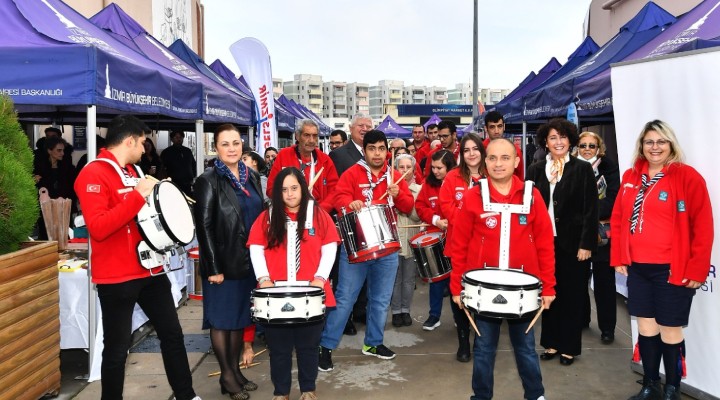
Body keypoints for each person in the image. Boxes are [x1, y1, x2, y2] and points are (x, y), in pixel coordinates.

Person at [73, 115, 200, 400]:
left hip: (149, 270)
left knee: (172, 335)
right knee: (117, 349)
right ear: (129, 140)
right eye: (142, 143)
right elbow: (99, 227)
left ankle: (186, 395)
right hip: (116, 276)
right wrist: (137, 197)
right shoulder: (93, 173)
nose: (145, 149)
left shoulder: (134, 171)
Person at [611, 120, 713, 400]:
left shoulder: (687, 177)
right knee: (646, 329)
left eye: (661, 142)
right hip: (638, 269)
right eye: (649, 142)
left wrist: (697, 268)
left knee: (670, 329)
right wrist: (620, 256)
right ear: (641, 146)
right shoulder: (632, 176)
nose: (655, 147)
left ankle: (672, 389)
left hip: (672, 269)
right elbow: (619, 219)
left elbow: (703, 227)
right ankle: (650, 385)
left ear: (671, 145)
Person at [450, 138, 556, 400]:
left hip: (525, 289)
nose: (498, 164)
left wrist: (549, 286)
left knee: (526, 348)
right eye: (493, 158)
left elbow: (545, 244)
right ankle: (481, 396)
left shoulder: (533, 195)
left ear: (517, 162)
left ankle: (535, 394)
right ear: (485, 162)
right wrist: (456, 287)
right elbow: (459, 244)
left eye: (505, 158)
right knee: (484, 347)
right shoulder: (474, 196)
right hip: (482, 290)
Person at [318, 129, 414, 371]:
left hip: (387, 248)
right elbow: (339, 198)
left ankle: (373, 343)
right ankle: (326, 347)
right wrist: (349, 203)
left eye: (382, 149)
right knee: (345, 299)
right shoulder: (352, 173)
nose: (378, 154)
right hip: (357, 248)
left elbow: (408, 205)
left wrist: (398, 195)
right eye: (373, 149)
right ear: (365, 150)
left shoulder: (392, 176)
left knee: (381, 300)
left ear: (387, 151)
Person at [247, 168, 340, 400]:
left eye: (294, 188)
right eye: (284, 190)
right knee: (279, 350)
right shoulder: (267, 216)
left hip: (312, 293)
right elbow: (256, 248)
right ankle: (281, 392)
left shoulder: (318, 214)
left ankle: (308, 389)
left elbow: (330, 247)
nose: (289, 194)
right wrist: (263, 278)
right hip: (276, 295)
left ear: (303, 188)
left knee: (308, 347)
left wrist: (320, 276)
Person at [194, 124, 264, 400]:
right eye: (225, 144)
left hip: (248, 262)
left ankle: (234, 371)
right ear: (216, 148)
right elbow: (204, 227)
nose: (232, 148)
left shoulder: (252, 176)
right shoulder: (208, 180)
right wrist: (213, 268)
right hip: (223, 264)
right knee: (222, 321)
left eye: (236, 143)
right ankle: (226, 377)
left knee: (239, 319)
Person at [526, 118, 598, 366]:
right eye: (553, 137)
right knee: (548, 294)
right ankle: (551, 343)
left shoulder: (582, 168)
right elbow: (528, 207)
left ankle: (569, 347)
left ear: (571, 140)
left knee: (572, 296)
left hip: (573, 244)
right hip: (542, 244)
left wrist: (586, 244)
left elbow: (591, 209)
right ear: (545, 142)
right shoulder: (535, 169)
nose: (558, 142)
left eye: (563, 137)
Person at [438, 132, 486, 362]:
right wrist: (469, 217)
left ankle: (481, 338)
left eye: (475, 148)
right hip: (458, 243)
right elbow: (446, 205)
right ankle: (463, 338)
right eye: (466, 150)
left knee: (482, 291)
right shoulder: (453, 177)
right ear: (461, 153)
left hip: (487, 245)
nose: (471, 153)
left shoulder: (492, 174)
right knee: (459, 290)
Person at [328, 113, 373, 334]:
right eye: (360, 126)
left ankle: (361, 310)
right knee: (344, 275)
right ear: (351, 128)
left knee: (366, 266)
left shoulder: (375, 153)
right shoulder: (339, 155)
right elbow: (336, 190)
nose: (364, 129)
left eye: (368, 125)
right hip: (348, 219)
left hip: (371, 220)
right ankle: (344, 318)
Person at [574, 131, 620, 344]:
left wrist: (588, 212)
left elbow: (612, 198)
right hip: (578, 233)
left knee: (604, 283)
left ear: (599, 148)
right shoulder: (570, 166)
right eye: (583, 145)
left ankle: (607, 328)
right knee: (579, 280)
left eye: (592, 146)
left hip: (602, 234)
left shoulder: (609, 167)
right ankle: (582, 319)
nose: (587, 149)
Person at [415, 150, 456, 331]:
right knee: (436, 278)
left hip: (455, 238)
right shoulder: (427, 185)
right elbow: (420, 206)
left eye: (440, 167)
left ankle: (460, 316)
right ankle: (434, 315)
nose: (436, 171)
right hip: (435, 235)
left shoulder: (459, 182)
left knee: (456, 279)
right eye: (433, 167)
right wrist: (435, 220)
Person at [266, 119, 339, 213]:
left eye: (315, 136)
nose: (312, 140)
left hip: (318, 213)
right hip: (289, 214)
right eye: (307, 135)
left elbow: (334, 191)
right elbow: (271, 189)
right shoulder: (284, 156)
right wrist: (291, 206)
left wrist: (321, 210)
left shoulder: (325, 160)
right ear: (297, 136)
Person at [390, 153, 422, 328]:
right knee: (395, 279)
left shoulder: (419, 190)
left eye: (408, 167)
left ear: (413, 169)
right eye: (401, 167)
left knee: (409, 279)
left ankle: (406, 310)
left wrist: (404, 201)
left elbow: (417, 215)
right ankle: (395, 311)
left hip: (411, 239)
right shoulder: (389, 187)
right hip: (394, 239)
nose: (404, 171)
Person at [34, 136, 77, 240]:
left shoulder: (68, 168)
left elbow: (71, 189)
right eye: (59, 150)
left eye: (63, 150)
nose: (62, 153)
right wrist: (33, 181)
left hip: (63, 209)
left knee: (64, 236)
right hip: (45, 210)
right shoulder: (38, 168)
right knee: (46, 235)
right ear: (49, 151)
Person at [482, 111, 524, 179]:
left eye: (499, 126)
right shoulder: (479, 149)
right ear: (486, 129)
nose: (496, 131)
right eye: (492, 127)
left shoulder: (515, 150)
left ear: (504, 126)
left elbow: (520, 176)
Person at [161, 130, 196, 196]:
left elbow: (193, 164)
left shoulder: (187, 151)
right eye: (176, 137)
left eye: (180, 137)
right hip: (173, 184)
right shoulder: (167, 152)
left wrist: (193, 176)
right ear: (172, 139)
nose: (179, 139)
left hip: (187, 184)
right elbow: (162, 168)